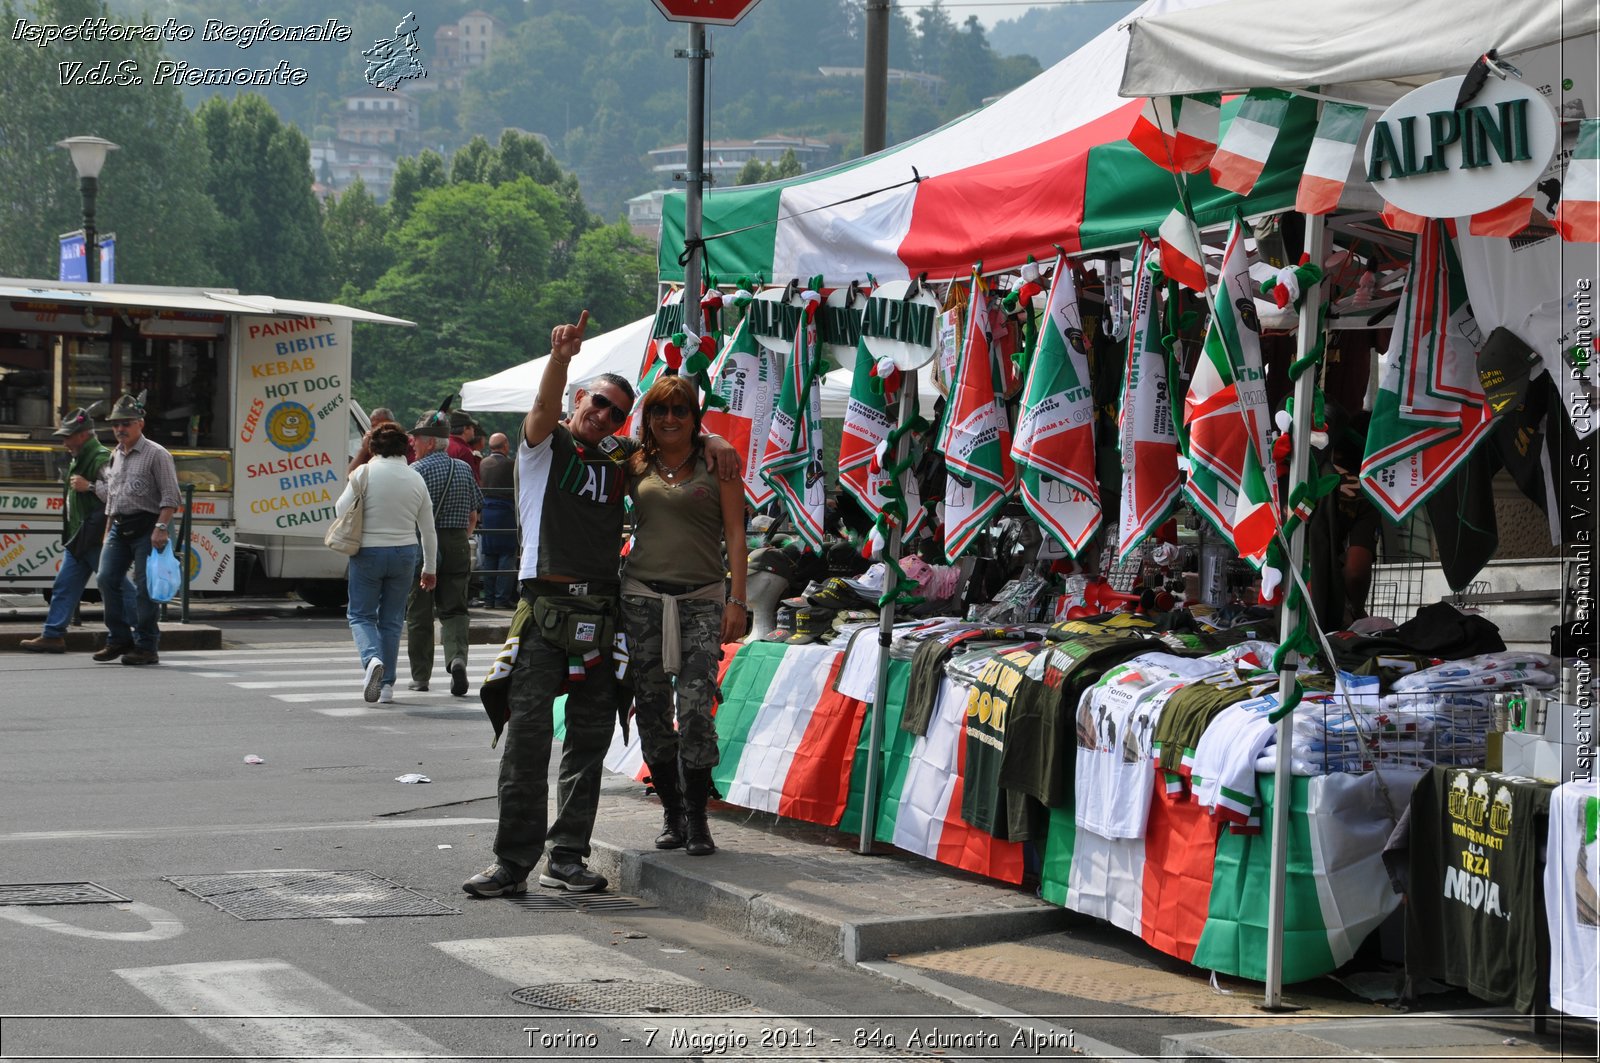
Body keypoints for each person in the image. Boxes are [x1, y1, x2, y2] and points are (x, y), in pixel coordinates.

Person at [462, 310, 737, 899]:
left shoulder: (622, 461)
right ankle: (511, 863)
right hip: (543, 612)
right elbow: (539, 413)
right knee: (529, 741)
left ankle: (566, 857)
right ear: (577, 399)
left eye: (617, 410)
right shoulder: (543, 446)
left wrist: (711, 436)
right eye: (599, 403)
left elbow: (673, 441)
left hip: (603, 617)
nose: (606, 415)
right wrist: (560, 358)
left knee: (588, 744)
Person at [621, 374, 749, 856]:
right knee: (651, 712)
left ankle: (699, 818)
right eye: (661, 411)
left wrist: (738, 601)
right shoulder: (634, 464)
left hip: (701, 600)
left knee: (695, 711)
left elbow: (736, 535)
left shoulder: (719, 463)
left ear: (695, 418)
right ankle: (672, 814)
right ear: (648, 418)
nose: (670, 419)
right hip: (641, 599)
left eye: (681, 411)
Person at [335, 422, 438, 704]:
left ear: (373, 448)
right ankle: (388, 686)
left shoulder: (364, 472)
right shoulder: (416, 478)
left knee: (360, 615)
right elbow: (428, 529)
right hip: (405, 553)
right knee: (392, 620)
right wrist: (430, 568)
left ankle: (371, 661)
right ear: (405, 447)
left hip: (368, 551)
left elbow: (340, 509)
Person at [92, 392, 181, 666]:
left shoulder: (157, 454)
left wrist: (161, 527)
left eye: (126, 423)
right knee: (106, 578)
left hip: (149, 526)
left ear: (140, 423)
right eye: (116, 424)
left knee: (145, 588)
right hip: (120, 525)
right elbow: (114, 497)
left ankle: (146, 645)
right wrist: (108, 529)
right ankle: (118, 639)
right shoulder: (114, 455)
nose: (120, 429)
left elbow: (171, 496)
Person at [21, 406, 111, 654]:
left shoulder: (100, 457)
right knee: (65, 586)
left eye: (67, 437)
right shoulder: (81, 457)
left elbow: (118, 494)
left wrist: (90, 486)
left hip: (93, 535)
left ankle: (139, 631)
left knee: (116, 586)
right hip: (80, 535)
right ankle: (53, 634)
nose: (64, 442)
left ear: (82, 435)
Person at [405, 408, 482, 697]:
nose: (412, 443)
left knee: (419, 612)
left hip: (426, 544)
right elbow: (473, 514)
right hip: (457, 543)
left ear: (427, 441)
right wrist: (463, 538)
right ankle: (457, 658)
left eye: (416, 439)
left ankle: (421, 676)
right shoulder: (463, 468)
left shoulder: (415, 472)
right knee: (455, 609)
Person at [476, 432, 518, 609]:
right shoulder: (511, 464)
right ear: (506, 446)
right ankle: (501, 599)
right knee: (506, 555)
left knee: (489, 555)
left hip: (487, 511)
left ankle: (489, 598)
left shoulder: (483, 463)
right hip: (506, 511)